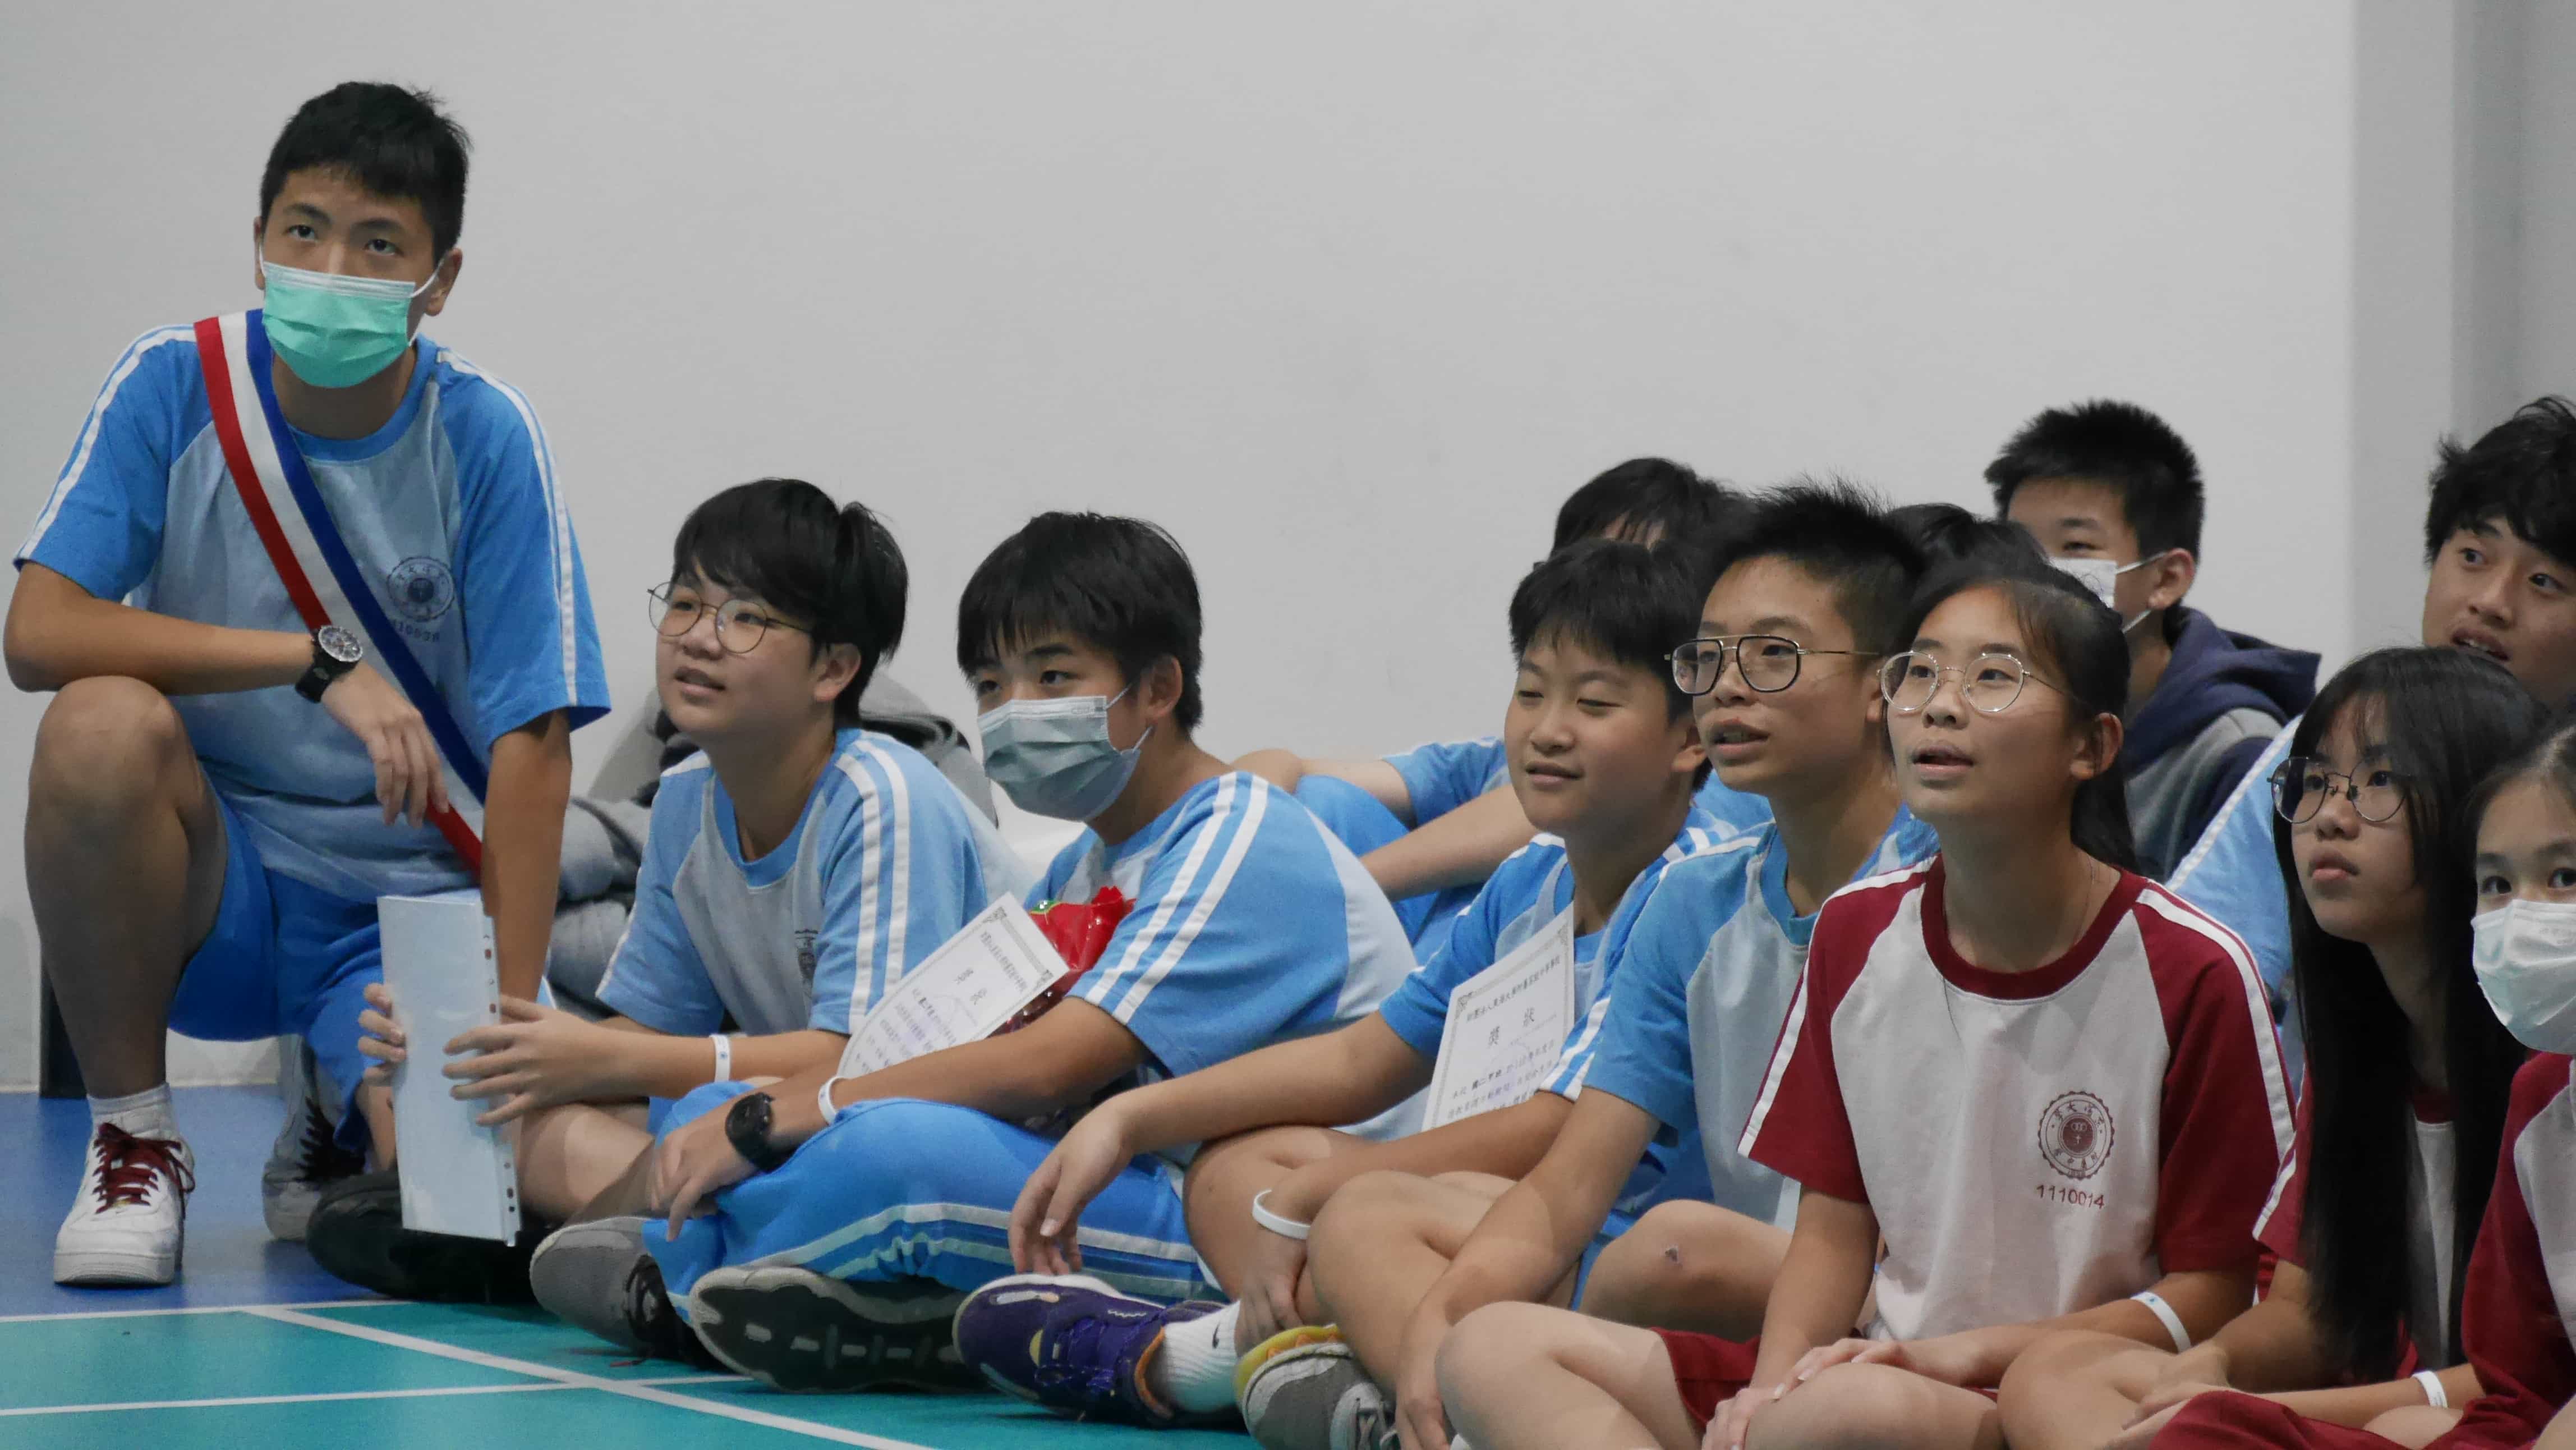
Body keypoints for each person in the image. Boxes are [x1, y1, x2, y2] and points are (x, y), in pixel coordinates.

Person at [531, 512, 1418, 1392]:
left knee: (892, 1156)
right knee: (720, 1108)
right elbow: (962, 1045)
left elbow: (1046, 1065)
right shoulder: (1084, 862)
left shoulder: (1236, 834)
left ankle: (681, 1275)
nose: (1013, 711)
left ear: (1157, 688)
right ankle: (811, 1291)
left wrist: (783, 1119)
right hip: (1112, 1168)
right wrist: (760, 1112)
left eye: (1053, 676)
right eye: (992, 686)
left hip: (1247, 1213)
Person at [1432, 561, 2294, 1450]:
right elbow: (1833, 1229)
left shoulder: (2193, 969)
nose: (1941, 705)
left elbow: (2218, 1293)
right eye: (1920, 673)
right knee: (1495, 1348)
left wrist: (1961, 1356)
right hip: (1876, 1364)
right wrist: (1768, 1391)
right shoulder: (1858, 931)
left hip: (2060, 1401)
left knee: (1843, 1413)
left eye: (1993, 677)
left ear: (2093, 746)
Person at [8, 82, 608, 1288]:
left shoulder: (487, 433)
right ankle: (135, 1138)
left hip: (403, 904)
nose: (332, 268)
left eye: (379, 244)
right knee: (97, 720)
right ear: (260, 241)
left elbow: (533, 742)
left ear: (438, 279)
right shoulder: (172, 380)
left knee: (476, 1194)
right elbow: (38, 632)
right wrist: (314, 660)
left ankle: (346, 1109)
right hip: (211, 887)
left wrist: (507, 1015)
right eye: (304, 230)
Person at [944, 539, 1724, 1427]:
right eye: (1530, 692)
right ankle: (1337, 1373)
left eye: (1594, 703)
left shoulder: (1689, 890)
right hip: (1501, 1211)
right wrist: (1130, 1120)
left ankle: (1209, 1363)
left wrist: (1335, 1186)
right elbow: (1365, 1060)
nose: (1547, 729)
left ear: (1690, 737)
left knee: (1357, 1220)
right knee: (1233, 1174)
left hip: (1620, 1240)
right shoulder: (1532, 878)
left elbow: (1561, 1133)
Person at [1230, 484, 1940, 1450]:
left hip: (1891, 1303)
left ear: (1884, 686)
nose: (1729, 687)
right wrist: (1445, 1324)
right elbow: (1566, 1184)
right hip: (1727, 1300)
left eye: (1774, 655)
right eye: (1709, 657)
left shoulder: (1941, 891)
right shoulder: (1694, 899)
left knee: (1664, 1251)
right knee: (1386, 1237)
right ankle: (1448, 1414)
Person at [306, 479, 1022, 1300]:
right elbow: (650, 1030)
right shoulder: (686, 799)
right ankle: (622, 1239)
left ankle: (560, 1249)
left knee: (740, 1122)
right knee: (510, 1119)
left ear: (833, 669)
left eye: (746, 618)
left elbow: (854, 1062)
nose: (697, 639)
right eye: (683, 604)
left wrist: (606, 1056)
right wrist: (484, 1052)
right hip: (783, 1118)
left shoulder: (881, 797)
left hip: (938, 1130)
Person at [1995, 649, 2546, 1450]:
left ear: (2479, 812)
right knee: (2057, 1372)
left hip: (2501, 1420)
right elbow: (2308, 1311)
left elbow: (2532, 1377)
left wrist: (2244, 1414)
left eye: (2380, 781)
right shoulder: (2357, 1045)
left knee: (2402, 1426)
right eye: (2313, 782)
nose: (2329, 816)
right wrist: (2213, 1364)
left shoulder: (2548, 1062)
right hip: (2389, 1412)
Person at [2133, 718, 2576, 1450]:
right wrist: (2222, 1388)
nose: (2524, 915)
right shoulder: (2543, 1098)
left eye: (2563, 877)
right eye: (2496, 884)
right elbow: (2517, 1394)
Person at [2172, 396, 2576, 1091]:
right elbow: (2196, 964)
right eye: (2471, 555)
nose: (2489, 600)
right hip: (2350, 1115)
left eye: (2543, 581)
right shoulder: (2332, 749)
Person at [1238, 458, 1763, 955]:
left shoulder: (1713, 788)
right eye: (1576, 568)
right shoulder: (1502, 791)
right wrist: (1240, 807)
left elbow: (1547, 816)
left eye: (1595, 702)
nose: (1592, 600)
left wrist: (1340, 891)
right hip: (1423, 974)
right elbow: (1295, 771)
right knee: (1323, 802)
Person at [1987, 400, 2318, 880]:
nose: (2037, 575)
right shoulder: (1999, 709)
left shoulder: (2236, 752)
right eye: (2020, 547)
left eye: (2077, 547)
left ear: (2166, 578)